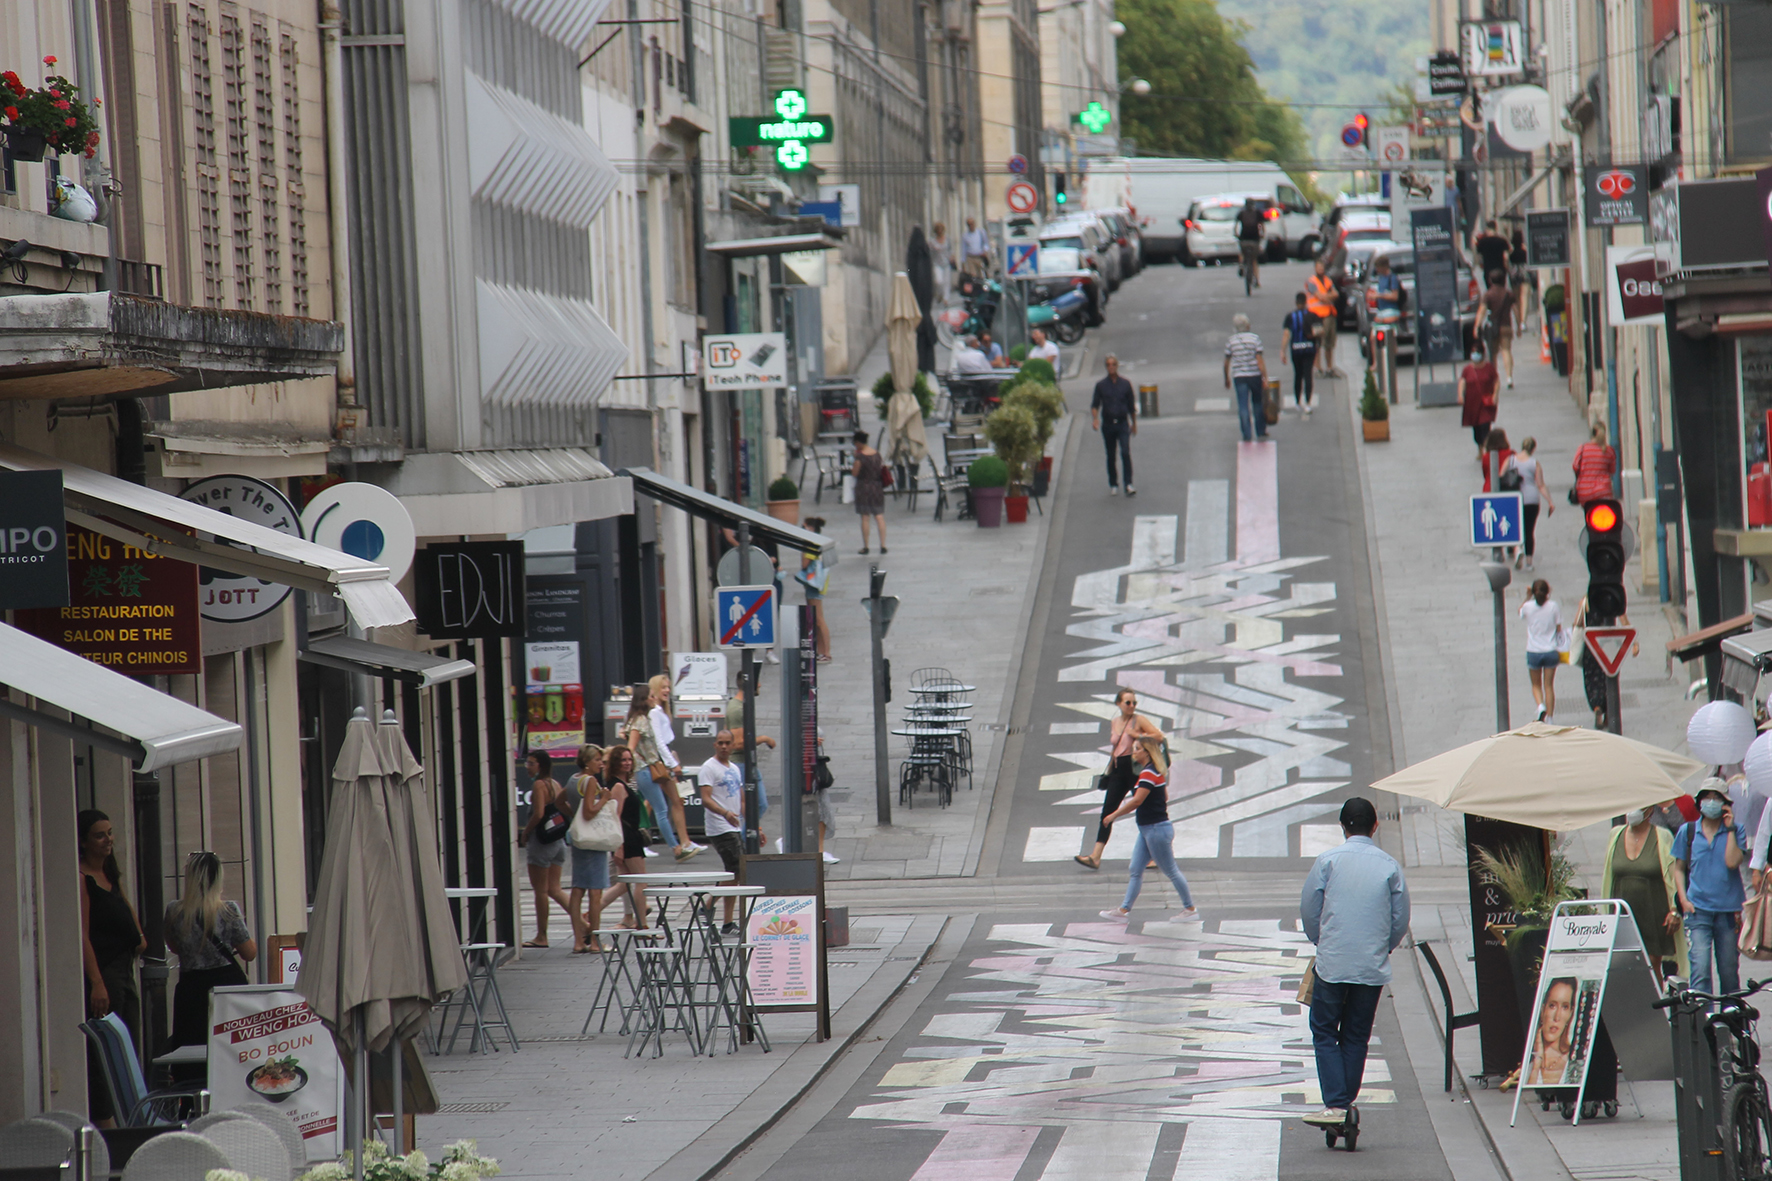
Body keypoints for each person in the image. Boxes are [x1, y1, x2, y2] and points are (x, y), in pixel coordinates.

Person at [1299, 797, 1410, 1131]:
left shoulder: (1327, 862)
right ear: (1375, 826)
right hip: (1371, 966)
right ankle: (1343, 1103)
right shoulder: (1390, 866)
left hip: (1332, 963)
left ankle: (1337, 1104)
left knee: (1323, 1029)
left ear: (1342, 826)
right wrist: (1382, 947)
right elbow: (1399, 919)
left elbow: (1309, 910)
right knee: (1356, 1034)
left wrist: (1322, 940)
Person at [79, 810, 144, 1125]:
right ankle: (107, 1122)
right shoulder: (84, 879)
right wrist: (97, 982)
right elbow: (83, 932)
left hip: (124, 969)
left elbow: (127, 910)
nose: (108, 840)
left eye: (110, 832)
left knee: (129, 1042)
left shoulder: (110, 873)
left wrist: (139, 936)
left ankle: (129, 1115)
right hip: (106, 973)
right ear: (84, 841)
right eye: (100, 835)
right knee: (107, 1049)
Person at [1096, 738, 1201, 923]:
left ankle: (1190, 909)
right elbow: (1164, 796)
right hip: (1147, 830)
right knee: (1135, 869)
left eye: (1137, 749)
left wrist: (1112, 816)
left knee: (1170, 870)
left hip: (1156, 830)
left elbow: (1137, 801)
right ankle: (1123, 910)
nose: (1134, 752)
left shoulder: (1148, 774)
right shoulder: (1153, 772)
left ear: (1147, 752)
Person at [164, 850, 257, 1049]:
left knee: (192, 1045)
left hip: (191, 988)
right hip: (227, 988)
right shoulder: (228, 910)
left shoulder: (174, 911)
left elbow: (173, 946)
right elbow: (249, 953)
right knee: (228, 1048)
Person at [1672, 781, 1749, 997]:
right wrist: (1683, 899)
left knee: (1728, 971)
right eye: (1707, 797)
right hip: (1698, 911)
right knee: (1700, 969)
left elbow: (1733, 862)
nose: (1712, 803)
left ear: (1726, 804)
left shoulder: (1737, 830)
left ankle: (1731, 1016)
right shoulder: (1687, 832)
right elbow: (1678, 868)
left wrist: (1731, 828)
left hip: (1727, 912)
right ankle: (1703, 1021)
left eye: (1717, 798)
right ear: (1700, 802)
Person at [1074, 687, 1165, 869]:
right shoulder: (1115, 721)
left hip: (1134, 769)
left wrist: (1138, 735)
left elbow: (1159, 736)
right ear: (1118, 704)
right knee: (1108, 811)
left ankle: (1156, 855)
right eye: (1128, 702)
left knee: (1144, 808)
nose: (1131, 706)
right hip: (1117, 770)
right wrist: (1109, 770)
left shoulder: (1138, 720)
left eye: (1134, 703)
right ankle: (1096, 856)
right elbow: (1116, 747)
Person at [1602, 807, 1687, 978]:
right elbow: (1608, 877)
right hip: (1622, 913)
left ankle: (1655, 1003)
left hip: (1654, 912)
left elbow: (1672, 876)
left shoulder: (1662, 837)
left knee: (1651, 965)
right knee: (1623, 965)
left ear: (1650, 811)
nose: (1633, 811)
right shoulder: (1616, 835)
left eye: (1640, 807)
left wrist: (1674, 909)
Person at [623, 684, 698, 862]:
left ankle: (678, 846)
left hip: (649, 768)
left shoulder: (639, 718)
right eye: (650, 696)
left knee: (660, 806)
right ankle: (676, 848)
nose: (654, 698)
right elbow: (631, 748)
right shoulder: (640, 720)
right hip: (645, 769)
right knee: (661, 810)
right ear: (644, 699)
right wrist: (633, 765)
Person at [517, 750, 574, 947]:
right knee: (555, 889)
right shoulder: (555, 784)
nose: (527, 767)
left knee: (540, 890)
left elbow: (539, 813)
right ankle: (583, 923)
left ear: (540, 765)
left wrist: (526, 832)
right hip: (558, 842)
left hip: (541, 843)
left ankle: (542, 935)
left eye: (531, 763)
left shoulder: (539, 785)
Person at [698, 730, 749, 935]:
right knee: (736, 870)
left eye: (728, 743)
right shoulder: (708, 768)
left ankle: (726, 921)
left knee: (734, 873)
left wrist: (755, 825)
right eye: (720, 743)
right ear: (714, 744)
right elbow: (706, 798)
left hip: (735, 825)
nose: (724, 746)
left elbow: (742, 799)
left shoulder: (735, 768)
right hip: (720, 826)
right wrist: (724, 813)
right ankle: (708, 905)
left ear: (733, 745)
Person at [648, 674, 702, 857]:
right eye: (663, 687)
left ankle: (685, 841)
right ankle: (681, 843)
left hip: (665, 759)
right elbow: (658, 741)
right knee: (668, 802)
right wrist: (672, 763)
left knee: (659, 801)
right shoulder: (655, 712)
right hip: (661, 761)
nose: (667, 690)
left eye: (668, 687)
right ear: (654, 689)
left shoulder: (661, 711)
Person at [566, 745, 612, 953]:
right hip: (593, 841)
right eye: (597, 760)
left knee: (577, 890)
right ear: (587, 762)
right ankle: (594, 941)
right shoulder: (591, 781)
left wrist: (572, 817)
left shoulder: (573, 780)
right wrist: (603, 799)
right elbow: (589, 812)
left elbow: (560, 800)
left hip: (578, 840)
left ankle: (578, 941)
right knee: (595, 893)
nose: (601, 763)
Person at [1573, 596, 1640, 729]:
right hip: (1609, 646)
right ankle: (1609, 714)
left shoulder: (1585, 602)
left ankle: (1597, 707)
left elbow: (1578, 623)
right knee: (1609, 678)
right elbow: (1625, 622)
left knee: (1591, 680)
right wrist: (1635, 643)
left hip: (1591, 646)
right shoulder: (1613, 599)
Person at [599, 747, 649, 929]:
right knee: (641, 881)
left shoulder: (620, 783)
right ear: (615, 763)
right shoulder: (618, 786)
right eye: (623, 760)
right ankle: (642, 925)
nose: (627, 763)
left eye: (629, 759)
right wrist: (619, 846)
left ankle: (591, 913)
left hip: (628, 836)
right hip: (627, 837)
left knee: (625, 883)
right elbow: (616, 816)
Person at [726, 681, 775, 848]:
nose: (760, 684)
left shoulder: (739, 706)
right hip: (740, 764)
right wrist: (764, 739)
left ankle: (746, 839)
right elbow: (738, 743)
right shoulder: (737, 709)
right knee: (751, 805)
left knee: (758, 804)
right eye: (757, 681)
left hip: (747, 763)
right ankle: (742, 841)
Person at [1091, 353, 1138, 495]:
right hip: (1108, 424)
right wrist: (1095, 419)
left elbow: (1131, 406)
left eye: (1113, 364)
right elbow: (1095, 405)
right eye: (1108, 365)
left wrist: (1134, 423)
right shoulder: (1101, 385)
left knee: (1125, 452)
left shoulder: (1125, 384)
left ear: (1117, 366)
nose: (1111, 367)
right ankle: (1113, 483)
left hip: (1123, 423)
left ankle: (1128, 483)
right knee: (1111, 455)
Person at [1506, 436, 1553, 571]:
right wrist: (1550, 502)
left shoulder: (1511, 460)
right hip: (1532, 499)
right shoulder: (1534, 463)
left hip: (1515, 499)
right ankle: (1529, 562)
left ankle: (1517, 549)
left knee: (1516, 528)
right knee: (1529, 530)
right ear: (1533, 448)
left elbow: (1501, 476)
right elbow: (1541, 485)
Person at [1519, 578, 1563, 721]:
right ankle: (1550, 719)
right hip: (1550, 651)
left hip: (1533, 651)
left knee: (1536, 685)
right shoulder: (1553, 606)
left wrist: (1527, 596)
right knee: (1549, 685)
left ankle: (1540, 706)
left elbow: (1520, 612)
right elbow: (1558, 628)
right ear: (1547, 592)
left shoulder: (1528, 606)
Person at [1223, 313, 1270, 443]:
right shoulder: (1255, 339)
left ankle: (1247, 434)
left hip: (1239, 376)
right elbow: (1259, 360)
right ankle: (1260, 430)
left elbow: (1226, 362)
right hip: (1254, 375)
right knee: (1257, 403)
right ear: (1248, 325)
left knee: (1243, 405)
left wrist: (1226, 377)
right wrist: (1265, 378)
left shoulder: (1231, 341)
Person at [1526, 978, 1578, 1085]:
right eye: (1552, 1006)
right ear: (1543, 1009)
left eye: (1565, 1007)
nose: (1557, 1016)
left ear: (1570, 1013)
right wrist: (1536, 1065)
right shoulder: (1529, 1058)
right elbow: (1528, 1096)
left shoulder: (1574, 1060)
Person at [796, 518, 832, 662]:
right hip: (818, 583)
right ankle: (822, 651)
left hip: (814, 584)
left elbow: (805, 564)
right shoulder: (818, 542)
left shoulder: (810, 544)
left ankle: (826, 652)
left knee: (818, 618)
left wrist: (803, 551)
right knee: (817, 618)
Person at [1280, 293, 1319, 417]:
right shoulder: (1312, 315)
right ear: (1306, 302)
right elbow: (1318, 331)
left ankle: (1297, 401)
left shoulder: (1290, 317)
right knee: (1308, 375)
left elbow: (1286, 334)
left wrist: (1283, 351)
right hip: (1309, 349)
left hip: (1296, 349)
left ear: (1296, 302)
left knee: (1298, 374)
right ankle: (1307, 402)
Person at [1476, 270, 1516, 388]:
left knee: (1493, 354)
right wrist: (1519, 325)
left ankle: (1493, 378)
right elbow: (1516, 310)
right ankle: (1509, 378)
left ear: (1490, 281)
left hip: (1493, 328)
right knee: (1506, 351)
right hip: (1506, 326)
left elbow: (1482, 311)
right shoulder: (1508, 294)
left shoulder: (1488, 295)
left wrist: (1477, 326)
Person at [1457, 342, 1499, 454]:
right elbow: (1462, 382)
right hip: (1472, 404)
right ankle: (1480, 446)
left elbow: (1496, 381)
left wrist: (1495, 395)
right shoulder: (1467, 369)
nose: (1475, 355)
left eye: (1477, 352)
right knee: (1476, 429)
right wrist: (1460, 395)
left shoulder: (1489, 367)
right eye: (1473, 352)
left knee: (1485, 425)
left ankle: (1486, 449)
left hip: (1486, 403)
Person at [852, 429, 888, 555]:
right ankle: (883, 545)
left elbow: (855, 473)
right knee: (879, 516)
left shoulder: (860, 457)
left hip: (864, 487)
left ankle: (866, 546)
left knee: (865, 517)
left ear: (858, 442)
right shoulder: (877, 454)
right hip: (877, 487)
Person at [1304, 258, 1341, 377]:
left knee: (1329, 343)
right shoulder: (1311, 282)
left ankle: (1329, 367)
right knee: (1317, 342)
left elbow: (1336, 294)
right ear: (1315, 268)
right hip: (1317, 316)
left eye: (1322, 267)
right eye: (1318, 267)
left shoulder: (1327, 280)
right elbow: (1321, 297)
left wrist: (1327, 296)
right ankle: (1317, 367)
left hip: (1329, 314)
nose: (1321, 269)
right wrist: (1329, 296)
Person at [1572, 422, 1617, 506]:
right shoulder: (1609, 451)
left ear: (1592, 434)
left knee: (1588, 513)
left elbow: (1575, 466)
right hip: (1603, 492)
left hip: (1584, 492)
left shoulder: (1582, 449)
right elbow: (1612, 470)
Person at [1235, 196, 1265, 290]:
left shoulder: (1241, 213)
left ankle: (1241, 264)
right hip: (1255, 239)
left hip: (1243, 239)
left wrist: (1236, 234)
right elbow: (1262, 226)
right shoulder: (1257, 213)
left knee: (1242, 252)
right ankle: (1256, 280)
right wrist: (1262, 234)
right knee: (1254, 260)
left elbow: (1236, 226)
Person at [1508, 229, 1532, 334]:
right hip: (1524, 273)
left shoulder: (1511, 253)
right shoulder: (1524, 251)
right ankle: (1523, 322)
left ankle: (1518, 321)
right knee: (1525, 297)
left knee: (1517, 299)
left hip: (1514, 274)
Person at [1474, 220, 1510, 284]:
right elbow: (1506, 256)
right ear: (1496, 228)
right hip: (1500, 270)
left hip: (1488, 270)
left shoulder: (1482, 242)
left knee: (1490, 290)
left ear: (1487, 229)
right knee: (1500, 290)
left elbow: (1478, 256)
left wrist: (1481, 265)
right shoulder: (1502, 241)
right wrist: (1506, 267)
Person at [1480, 428, 1513, 496]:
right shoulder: (1511, 454)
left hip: (1489, 487)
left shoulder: (1485, 457)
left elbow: (1485, 473)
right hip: (1508, 487)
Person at [930, 221, 954, 297]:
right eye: (938, 230)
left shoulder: (947, 239)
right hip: (937, 263)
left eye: (941, 230)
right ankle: (940, 294)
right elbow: (930, 252)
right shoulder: (932, 241)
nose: (939, 232)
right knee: (938, 281)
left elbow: (950, 249)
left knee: (946, 282)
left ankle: (946, 299)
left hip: (946, 262)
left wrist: (952, 256)